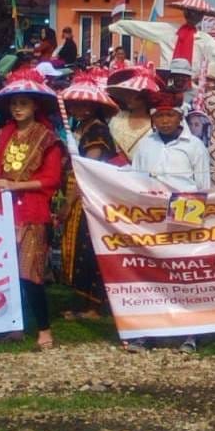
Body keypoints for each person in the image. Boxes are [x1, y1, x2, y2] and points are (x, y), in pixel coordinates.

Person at [0, 70, 65, 349]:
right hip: (0, 210)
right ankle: (13, 326)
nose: (17, 108)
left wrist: (15, 185)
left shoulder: (47, 139)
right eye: (14, 103)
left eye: (23, 103)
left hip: (31, 211)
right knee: (3, 271)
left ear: (35, 106)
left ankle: (44, 330)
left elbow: (51, 179)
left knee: (30, 272)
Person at [60, 123, 121, 319]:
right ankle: (81, 303)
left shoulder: (97, 132)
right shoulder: (81, 128)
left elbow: (85, 170)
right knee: (80, 250)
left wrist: (69, 202)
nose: (79, 109)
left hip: (89, 195)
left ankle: (93, 306)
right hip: (80, 192)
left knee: (88, 249)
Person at [130, 92, 211, 193]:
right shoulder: (145, 144)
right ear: (153, 119)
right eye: (159, 116)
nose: (165, 121)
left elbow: (203, 185)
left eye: (170, 115)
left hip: (184, 201)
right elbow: (136, 179)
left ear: (180, 117)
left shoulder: (195, 145)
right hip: (151, 200)